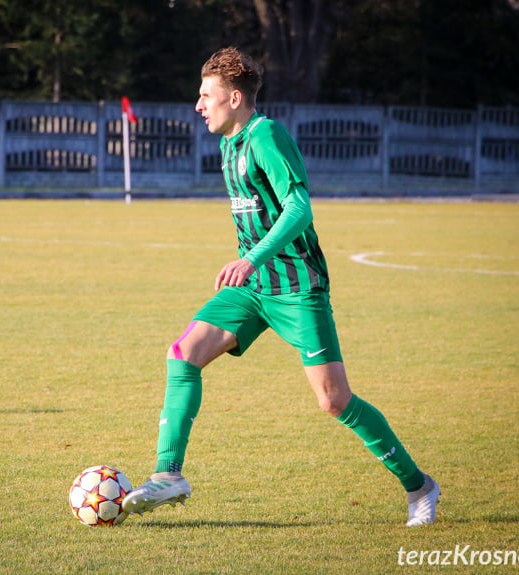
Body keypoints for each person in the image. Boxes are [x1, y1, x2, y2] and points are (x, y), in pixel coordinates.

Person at [121, 47, 439, 527]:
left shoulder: (265, 134)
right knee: (183, 354)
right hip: (253, 289)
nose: (197, 105)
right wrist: (251, 268)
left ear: (233, 97)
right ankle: (168, 474)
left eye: (205, 95)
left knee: (334, 401)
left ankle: (420, 487)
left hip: (295, 287)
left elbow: (299, 208)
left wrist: (250, 259)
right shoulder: (228, 144)